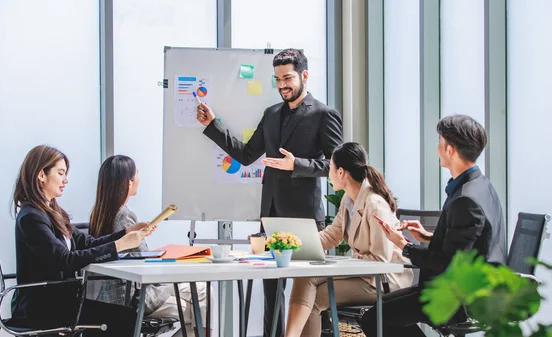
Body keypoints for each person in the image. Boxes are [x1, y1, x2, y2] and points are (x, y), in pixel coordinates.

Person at [196, 48, 343, 337]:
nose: (282, 85)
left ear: (304, 75)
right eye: (277, 79)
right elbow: (248, 154)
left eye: (287, 78)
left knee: (307, 294)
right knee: (271, 295)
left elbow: (337, 167)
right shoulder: (272, 114)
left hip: (305, 220)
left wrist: (296, 165)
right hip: (272, 216)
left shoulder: (324, 114)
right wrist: (214, 125)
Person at [360, 115, 507, 337]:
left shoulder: (466, 199)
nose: (437, 148)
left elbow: (446, 264)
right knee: (381, 310)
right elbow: (473, 244)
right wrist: (428, 236)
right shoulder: (480, 185)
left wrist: (403, 244)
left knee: (374, 319)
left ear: (450, 150)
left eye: (440, 143)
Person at [11, 145, 153, 336]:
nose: (65, 180)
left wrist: (125, 233)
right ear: (41, 175)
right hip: (42, 307)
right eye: (60, 173)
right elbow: (64, 260)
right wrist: (120, 246)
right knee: (125, 319)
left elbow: (87, 243)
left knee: (125, 317)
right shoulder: (31, 217)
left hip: (60, 302)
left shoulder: (53, 213)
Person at [284, 142, 414, 337]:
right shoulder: (348, 200)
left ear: (342, 172)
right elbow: (332, 235)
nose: (329, 175)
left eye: (331, 169)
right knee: (306, 277)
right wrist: (292, 245)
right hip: (364, 273)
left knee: (315, 297)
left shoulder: (375, 205)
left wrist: (341, 264)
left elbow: (381, 261)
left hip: (383, 280)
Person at [89, 155, 212, 336]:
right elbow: (142, 261)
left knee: (199, 299)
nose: (139, 178)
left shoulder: (99, 213)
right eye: (137, 173)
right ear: (128, 182)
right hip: (133, 296)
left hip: (112, 295)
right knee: (202, 299)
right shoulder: (123, 215)